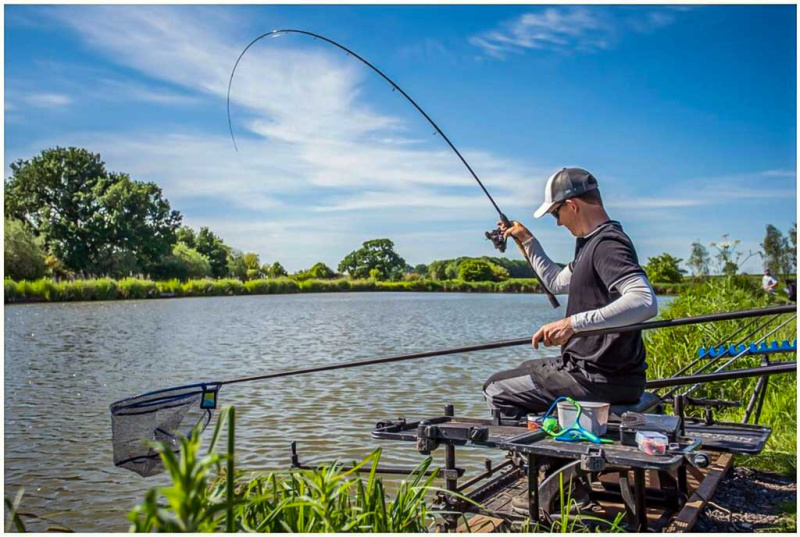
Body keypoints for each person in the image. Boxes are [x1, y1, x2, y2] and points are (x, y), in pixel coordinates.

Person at [483, 167, 659, 419]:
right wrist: (527, 240)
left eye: (556, 213)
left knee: (496, 388)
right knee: (523, 369)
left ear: (572, 205)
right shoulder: (591, 244)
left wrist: (571, 324)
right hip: (599, 373)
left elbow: (643, 300)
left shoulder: (607, 244)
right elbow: (555, 282)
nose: (558, 222)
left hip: (598, 378)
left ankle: (544, 443)